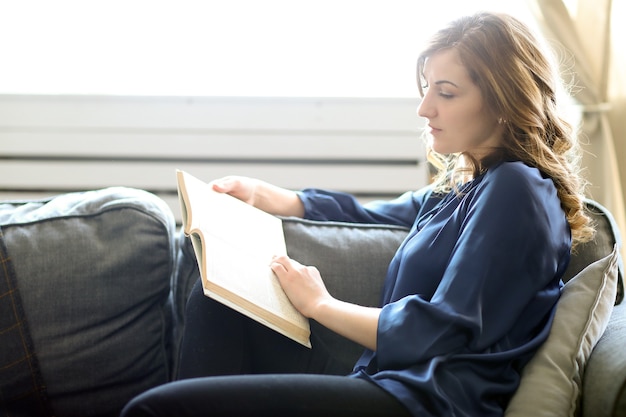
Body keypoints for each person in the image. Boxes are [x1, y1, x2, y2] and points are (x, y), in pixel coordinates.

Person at [121, 11, 595, 417]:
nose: (424, 108)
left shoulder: (517, 189)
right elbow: (372, 214)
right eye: (427, 88)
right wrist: (276, 197)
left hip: (427, 401)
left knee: (154, 409)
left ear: (504, 101)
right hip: (384, 378)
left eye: (446, 93)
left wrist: (319, 305)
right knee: (218, 300)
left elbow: (443, 330)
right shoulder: (463, 186)